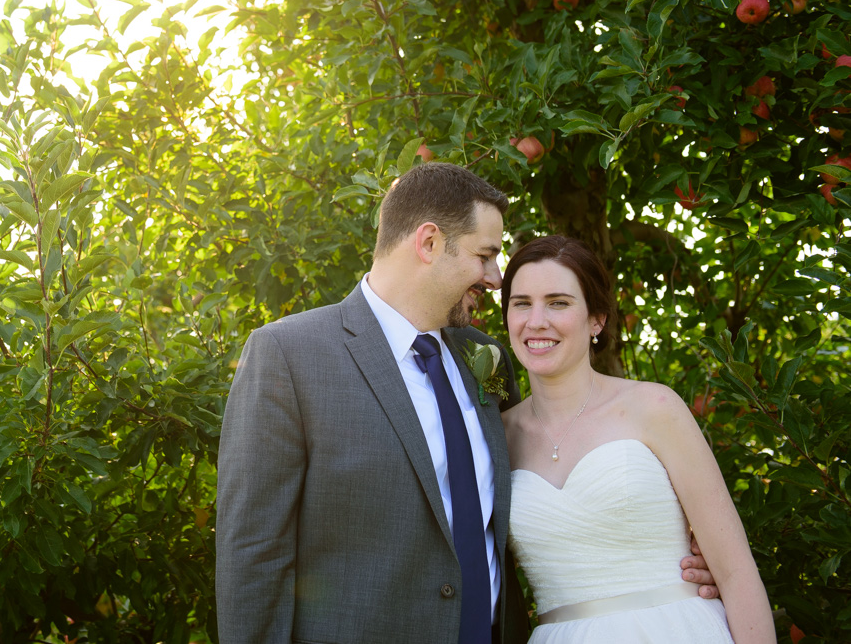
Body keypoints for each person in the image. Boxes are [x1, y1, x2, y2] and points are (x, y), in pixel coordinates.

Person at [216, 163, 717, 644]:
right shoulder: (288, 354)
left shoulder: (488, 359)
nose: (496, 278)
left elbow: (534, 479)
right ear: (429, 243)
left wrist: (666, 541)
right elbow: (253, 552)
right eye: (485, 255)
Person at [500, 235, 775, 643]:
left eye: (558, 302)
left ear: (597, 319)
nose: (536, 320)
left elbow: (735, 573)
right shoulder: (496, 436)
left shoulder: (655, 407)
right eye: (521, 303)